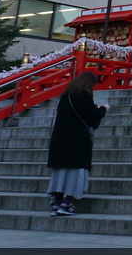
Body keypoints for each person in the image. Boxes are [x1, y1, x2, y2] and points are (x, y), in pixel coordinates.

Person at [46, 71, 109, 216]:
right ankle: (66, 204)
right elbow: (92, 114)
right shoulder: (84, 96)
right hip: (78, 140)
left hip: (60, 139)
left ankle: (57, 203)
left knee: (60, 174)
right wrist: (104, 109)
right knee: (76, 172)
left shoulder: (65, 97)